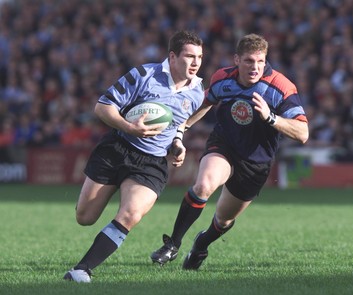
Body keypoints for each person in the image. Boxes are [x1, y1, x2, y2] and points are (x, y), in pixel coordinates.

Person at [150, 33, 309, 270]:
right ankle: (172, 243)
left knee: (223, 220)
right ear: (236, 59)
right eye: (248, 61)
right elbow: (204, 105)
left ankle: (201, 245)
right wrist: (179, 132)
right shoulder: (223, 78)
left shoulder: (280, 87)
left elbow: (303, 133)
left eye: (260, 61)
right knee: (203, 186)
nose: (255, 67)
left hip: (255, 162)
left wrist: (271, 117)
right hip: (224, 145)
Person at [63, 30, 204, 282]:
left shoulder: (197, 91)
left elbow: (180, 124)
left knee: (131, 214)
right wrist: (130, 127)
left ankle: (81, 270)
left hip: (151, 163)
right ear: (172, 57)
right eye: (189, 56)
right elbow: (102, 107)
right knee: (85, 217)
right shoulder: (143, 75)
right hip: (117, 148)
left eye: (200, 57)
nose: (195, 63)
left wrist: (177, 143)